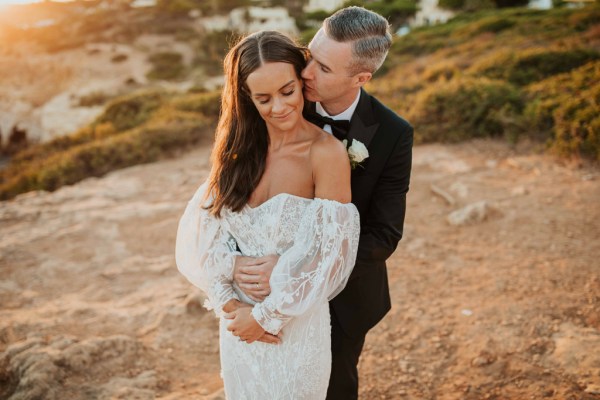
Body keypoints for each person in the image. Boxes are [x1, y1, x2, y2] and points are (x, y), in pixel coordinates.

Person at [232, 7, 414, 400]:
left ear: (361, 78)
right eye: (310, 54)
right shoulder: (285, 101)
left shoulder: (393, 134)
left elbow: (384, 234)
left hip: (342, 298)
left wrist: (299, 270)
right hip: (261, 291)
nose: (307, 72)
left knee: (332, 387)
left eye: (324, 68)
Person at [175, 30, 360, 399]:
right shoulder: (235, 155)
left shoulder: (325, 154)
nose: (278, 107)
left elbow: (330, 257)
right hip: (237, 329)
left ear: (301, 81)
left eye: (287, 91)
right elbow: (205, 238)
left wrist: (263, 318)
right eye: (263, 98)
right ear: (246, 98)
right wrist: (230, 301)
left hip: (293, 328)